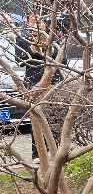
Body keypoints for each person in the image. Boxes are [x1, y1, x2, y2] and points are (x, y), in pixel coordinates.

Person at [15, 12, 63, 163]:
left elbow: (64, 60)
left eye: (40, 21)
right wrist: (33, 49)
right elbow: (19, 61)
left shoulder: (54, 38)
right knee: (35, 119)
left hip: (54, 84)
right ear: (28, 24)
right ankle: (37, 154)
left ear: (45, 24)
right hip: (34, 84)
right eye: (33, 21)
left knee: (56, 119)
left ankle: (58, 152)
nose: (36, 24)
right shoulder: (22, 39)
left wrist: (50, 49)